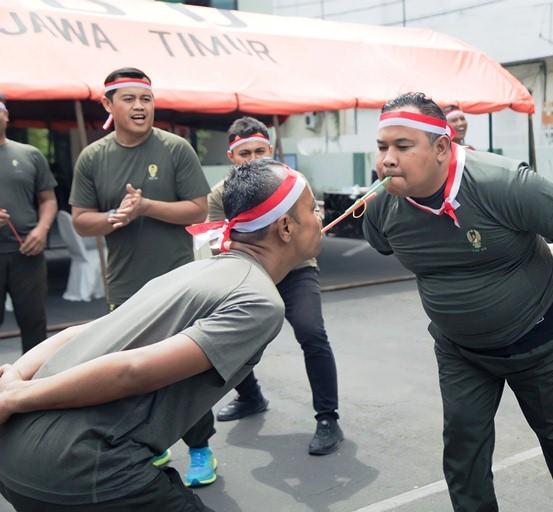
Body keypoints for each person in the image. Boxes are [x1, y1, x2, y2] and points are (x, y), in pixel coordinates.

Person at [0, 160, 323, 511]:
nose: (320, 215)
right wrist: (16, 396)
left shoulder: (196, 270)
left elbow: (80, 332)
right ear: (286, 227)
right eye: (312, 208)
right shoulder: (259, 302)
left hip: (14, 451)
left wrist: (15, 377)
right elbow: (133, 370)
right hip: (81, 468)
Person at [363, 92, 553, 512]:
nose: (387, 159)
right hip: (459, 350)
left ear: (441, 147)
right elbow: (385, 246)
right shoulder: (381, 205)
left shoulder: (502, 182)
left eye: (403, 147)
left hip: (536, 340)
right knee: (463, 447)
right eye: (383, 146)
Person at [69, 68, 214, 485]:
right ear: (108, 105)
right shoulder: (93, 157)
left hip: (177, 283)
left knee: (186, 370)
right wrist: (115, 218)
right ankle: (149, 446)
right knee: (129, 370)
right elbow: (81, 221)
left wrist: (147, 206)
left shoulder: (175, 149)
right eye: (129, 99)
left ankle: (201, 449)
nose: (139, 107)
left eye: (145, 99)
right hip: (125, 284)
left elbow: (198, 209)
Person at [208, 117, 343, 455]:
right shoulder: (220, 195)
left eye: (259, 151)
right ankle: (250, 396)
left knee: (312, 334)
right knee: (232, 339)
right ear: (231, 156)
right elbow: (213, 240)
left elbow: (311, 227)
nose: (253, 159)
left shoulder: (293, 185)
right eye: (244, 153)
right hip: (250, 273)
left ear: (271, 150)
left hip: (296, 269)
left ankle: (328, 419)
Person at [0, 92, 58, 353]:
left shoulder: (29, 154)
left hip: (27, 252)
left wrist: (42, 229)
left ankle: (34, 384)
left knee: (34, 323)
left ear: (6, 116)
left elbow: (48, 200)